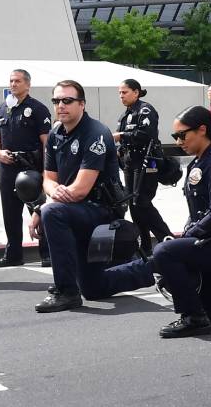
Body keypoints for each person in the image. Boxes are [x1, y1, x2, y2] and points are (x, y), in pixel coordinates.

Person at [30, 80, 150, 312]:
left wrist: (48, 206)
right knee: (94, 288)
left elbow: (80, 190)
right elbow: (48, 179)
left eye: (67, 100)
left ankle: (66, 292)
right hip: (74, 211)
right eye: (56, 101)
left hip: (100, 210)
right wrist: (45, 200)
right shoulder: (55, 133)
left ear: (82, 104)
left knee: (52, 213)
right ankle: (149, 269)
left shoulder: (96, 133)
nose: (60, 106)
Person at [154, 105, 211, 338]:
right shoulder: (198, 162)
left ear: (202, 130)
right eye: (175, 136)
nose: (178, 140)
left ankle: (192, 317)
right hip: (207, 239)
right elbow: (198, 210)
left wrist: (189, 235)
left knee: (164, 252)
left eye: (182, 135)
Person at [0, 69, 51, 267]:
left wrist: (46, 172)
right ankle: (13, 254)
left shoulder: (37, 109)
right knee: (10, 212)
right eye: (11, 81)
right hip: (8, 168)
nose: (13, 84)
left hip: (31, 167)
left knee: (39, 210)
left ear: (27, 84)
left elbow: (46, 142)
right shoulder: (2, 109)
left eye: (17, 81)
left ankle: (47, 254)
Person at [112, 79, 173, 255]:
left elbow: (147, 134)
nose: (121, 96)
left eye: (124, 92)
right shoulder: (125, 115)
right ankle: (145, 246)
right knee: (133, 204)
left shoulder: (145, 110)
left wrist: (122, 136)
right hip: (129, 164)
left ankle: (166, 239)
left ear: (136, 92)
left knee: (142, 202)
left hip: (147, 163)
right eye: (119, 93)